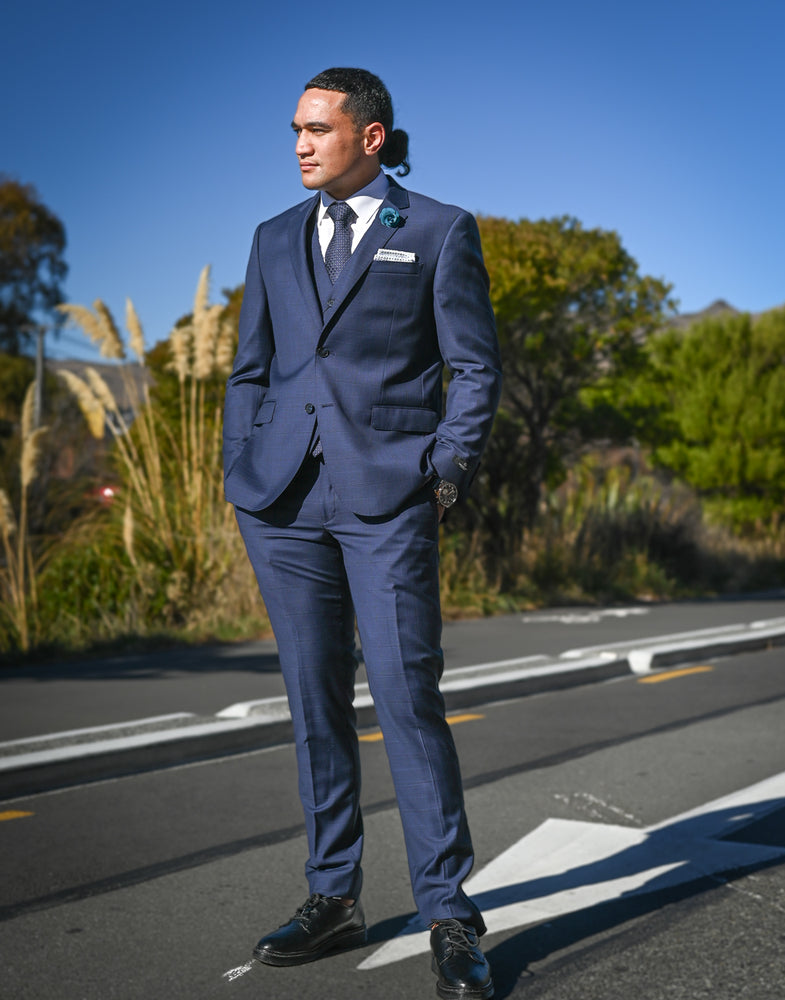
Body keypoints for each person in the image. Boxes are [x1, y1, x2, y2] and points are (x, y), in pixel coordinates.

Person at [223, 67, 502, 1000]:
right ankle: (333, 896)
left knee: (407, 701)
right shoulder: (271, 239)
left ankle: (451, 914)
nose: (300, 143)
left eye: (317, 128)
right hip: (283, 506)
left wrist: (445, 469)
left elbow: (473, 366)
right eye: (294, 129)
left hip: (388, 499)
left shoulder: (435, 230)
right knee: (314, 708)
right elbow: (248, 370)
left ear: (371, 137)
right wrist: (240, 472)